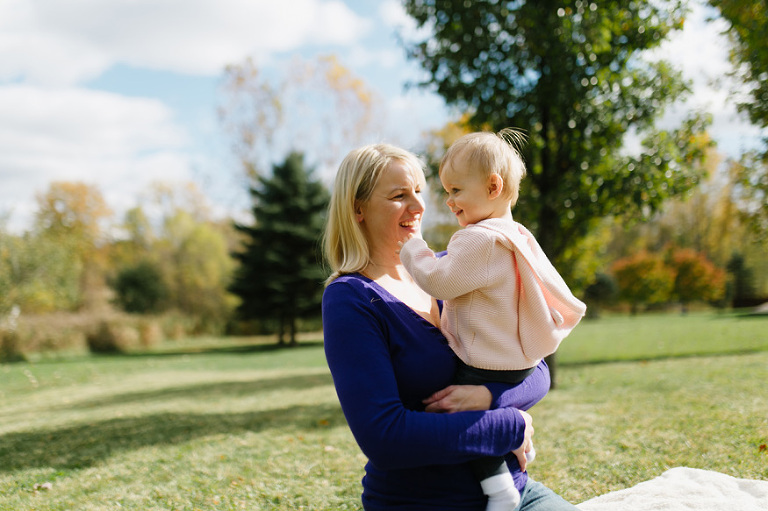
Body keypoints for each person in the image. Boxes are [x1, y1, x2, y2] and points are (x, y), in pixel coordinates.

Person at [322, 142, 580, 511]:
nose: (419, 206)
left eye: (418, 192)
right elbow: (386, 438)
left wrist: (489, 396)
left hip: (517, 492)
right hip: (427, 502)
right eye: (399, 195)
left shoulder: (455, 271)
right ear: (357, 209)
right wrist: (509, 426)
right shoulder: (352, 298)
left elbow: (536, 367)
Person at [398, 130, 587, 510]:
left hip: (484, 362)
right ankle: (516, 446)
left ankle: (499, 488)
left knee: (464, 415)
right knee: (490, 412)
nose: (449, 202)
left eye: (455, 191)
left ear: (492, 186)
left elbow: (440, 280)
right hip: (518, 364)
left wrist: (413, 249)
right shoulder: (516, 235)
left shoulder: (476, 240)